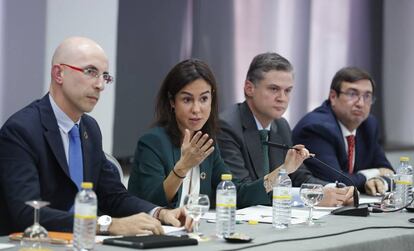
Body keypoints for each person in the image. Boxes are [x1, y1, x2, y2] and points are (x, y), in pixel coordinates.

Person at [0, 37, 188, 236]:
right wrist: (106, 225)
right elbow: (27, 214)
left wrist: (160, 213)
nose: (100, 85)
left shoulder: (89, 129)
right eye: (90, 72)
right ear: (58, 74)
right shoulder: (21, 130)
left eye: (105, 76)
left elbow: (113, 195)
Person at [128, 59, 312, 209]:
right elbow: (150, 203)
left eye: (204, 99)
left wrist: (283, 170)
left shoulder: (207, 144)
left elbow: (237, 194)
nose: (196, 109)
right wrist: (182, 168)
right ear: (172, 101)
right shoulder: (153, 142)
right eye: (187, 99)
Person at [217, 52, 354, 207]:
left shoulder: (281, 125)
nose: (282, 98)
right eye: (274, 89)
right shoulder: (227, 127)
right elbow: (239, 194)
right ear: (249, 88)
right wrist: (309, 196)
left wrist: (334, 191)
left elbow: (299, 176)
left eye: (287, 90)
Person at [292, 66, 394, 195]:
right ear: (333, 97)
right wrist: (373, 174)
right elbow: (336, 181)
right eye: (352, 94)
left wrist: (380, 181)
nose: (361, 103)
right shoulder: (317, 127)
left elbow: (390, 172)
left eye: (367, 96)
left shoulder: (368, 125)